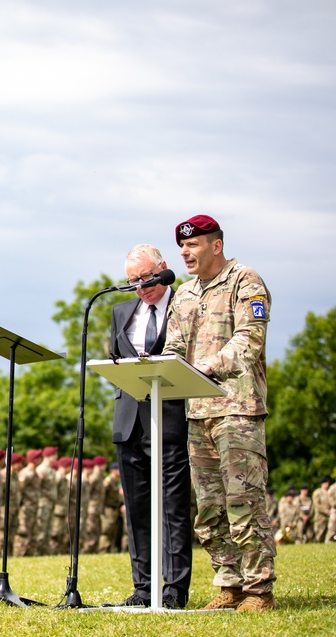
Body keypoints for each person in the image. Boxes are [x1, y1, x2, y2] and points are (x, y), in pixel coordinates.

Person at [163, 214, 276, 611]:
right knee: (210, 507)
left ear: (216, 245)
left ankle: (259, 590)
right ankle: (229, 585)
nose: (185, 252)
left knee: (244, 500)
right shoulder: (184, 293)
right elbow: (175, 346)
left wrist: (211, 364)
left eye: (193, 246)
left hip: (237, 408)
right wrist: (158, 367)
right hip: (198, 412)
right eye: (182, 246)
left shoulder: (246, 280)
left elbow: (251, 337)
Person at [109, 243, 193, 609]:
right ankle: (143, 589)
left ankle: (174, 589)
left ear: (163, 268)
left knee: (173, 508)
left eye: (146, 277)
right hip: (130, 423)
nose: (142, 287)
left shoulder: (185, 303)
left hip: (171, 418)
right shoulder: (120, 311)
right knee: (138, 509)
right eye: (133, 281)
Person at [311, 477, 332, 544]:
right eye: (325, 483)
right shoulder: (317, 492)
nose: (327, 484)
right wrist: (326, 511)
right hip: (320, 516)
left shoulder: (330, 492)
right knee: (319, 533)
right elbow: (316, 505)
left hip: (330, 515)